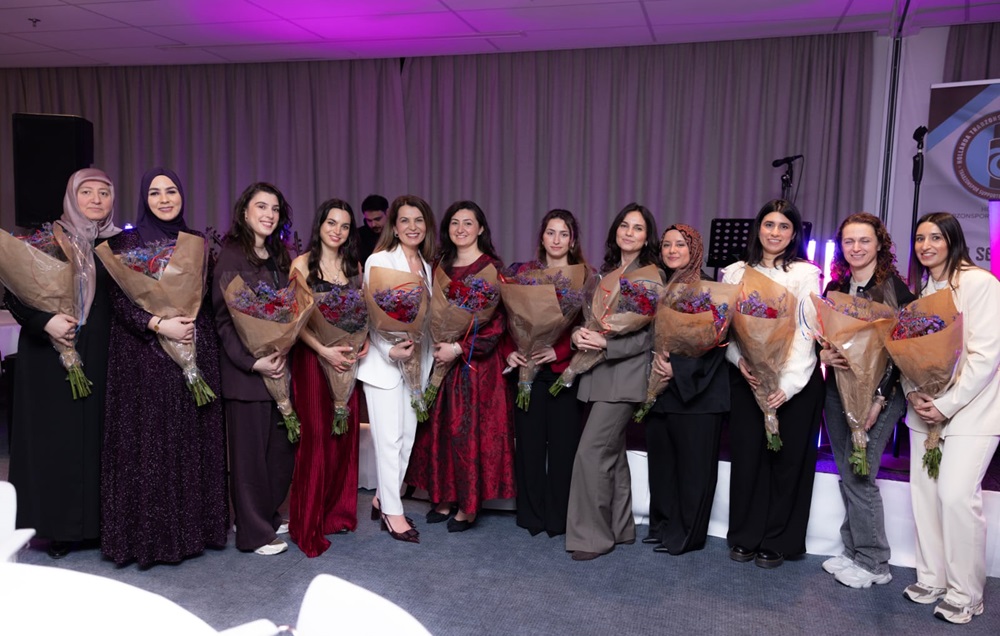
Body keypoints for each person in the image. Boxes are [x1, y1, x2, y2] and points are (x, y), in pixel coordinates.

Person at [101, 167, 229, 566]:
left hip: (192, 347)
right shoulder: (125, 243)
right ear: (144, 198)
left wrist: (188, 331)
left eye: (171, 191)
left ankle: (194, 532)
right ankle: (152, 539)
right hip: (144, 358)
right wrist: (158, 324)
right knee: (152, 443)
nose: (164, 199)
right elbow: (119, 302)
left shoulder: (196, 242)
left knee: (190, 438)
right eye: (155, 193)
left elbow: (205, 298)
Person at [6, 168, 123, 559]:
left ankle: (98, 525)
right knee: (58, 439)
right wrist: (45, 321)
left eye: (104, 192)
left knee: (98, 438)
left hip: (102, 351)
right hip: (49, 353)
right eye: (86, 191)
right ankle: (58, 527)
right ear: (72, 197)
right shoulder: (47, 239)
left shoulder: (120, 245)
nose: (96, 199)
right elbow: (15, 292)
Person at [901, 212, 1000, 625]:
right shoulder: (921, 291)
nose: (926, 245)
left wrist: (947, 403)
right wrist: (912, 392)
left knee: (956, 496)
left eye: (936, 237)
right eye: (920, 238)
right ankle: (933, 578)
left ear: (953, 240)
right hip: (925, 411)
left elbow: (986, 355)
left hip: (973, 411)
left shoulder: (980, 283)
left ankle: (966, 593)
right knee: (925, 497)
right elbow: (906, 352)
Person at [722, 199, 824, 569]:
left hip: (794, 384)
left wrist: (788, 384)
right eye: (769, 224)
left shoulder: (806, 273)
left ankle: (778, 539)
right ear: (758, 228)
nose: (775, 232)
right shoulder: (735, 272)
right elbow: (727, 329)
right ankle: (745, 535)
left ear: (794, 234)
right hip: (747, 378)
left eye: (784, 226)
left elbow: (807, 331)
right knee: (748, 459)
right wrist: (740, 360)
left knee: (787, 462)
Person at [818, 212, 914, 587]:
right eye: (849, 241)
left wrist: (878, 400)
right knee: (847, 471)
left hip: (880, 396)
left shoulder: (894, 290)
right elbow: (823, 338)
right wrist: (823, 354)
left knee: (860, 474)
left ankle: (875, 561)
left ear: (879, 245)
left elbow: (902, 353)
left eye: (864, 240)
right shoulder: (835, 288)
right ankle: (854, 550)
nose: (856, 248)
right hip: (837, 390)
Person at [407, 201, 515, 533]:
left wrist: (459, 347)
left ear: (481, 229)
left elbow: (499, 324)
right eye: (455, 222)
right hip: (439, 360)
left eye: (468, 223)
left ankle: (468, 506)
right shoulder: (437, 266)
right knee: (440, 432)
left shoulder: (493, 270)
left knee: (467, 434)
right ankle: (443, 496)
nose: (461, 229)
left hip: (475, 367)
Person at [565, 203, 662, 561]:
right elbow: (592, 321)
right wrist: (578, 335)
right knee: (613, 454)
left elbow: (649, 337)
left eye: (638, 228)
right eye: (624, 225)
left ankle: (592, 538)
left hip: (625, 377)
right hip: (598, 374)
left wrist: (607, 344)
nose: (629, 233)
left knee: (591, 453)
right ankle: (621, 528)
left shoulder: (650, 276)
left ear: (647, 237)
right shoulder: (606, 273)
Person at [212, 182, 296, 556]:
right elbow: (223, 320)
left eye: (275, 209)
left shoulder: (279, 254)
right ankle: (253, 533)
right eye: (261, 206)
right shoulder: (232, 255)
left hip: (277, 368)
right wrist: (252, 362)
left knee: (279, 453)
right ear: (245, 211)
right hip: (245, 375)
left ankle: (266, 515)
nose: (269, 214)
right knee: (249, 461)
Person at [287, 198, 368, 557]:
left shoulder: (354, 266)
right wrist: (323, 350)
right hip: (313, 360)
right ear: (319, 224)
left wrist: (363, 342)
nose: (337, 231)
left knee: (343, 437)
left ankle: (337, 514)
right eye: (331, 223)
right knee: (316, 440)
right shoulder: (302, 264)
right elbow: (295, 320)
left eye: (345, 226)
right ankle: (308, 523)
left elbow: (361, 313)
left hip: (346, 360)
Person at [501, 209, 588, 537]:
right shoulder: (524, 274)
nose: (556, 239)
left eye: (563, 234)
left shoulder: (585, 278)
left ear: (573, 240)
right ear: (542, 236)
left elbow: (588, 327)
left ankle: (558, 518)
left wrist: (559, 351)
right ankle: (531, 515)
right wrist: (510, 350)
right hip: (527, 372)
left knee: (564, 449)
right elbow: (508, 319)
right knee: (529, 447)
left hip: (564, 374)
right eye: (551, 232)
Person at [643, 224, 729, 555]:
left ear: (694, 249)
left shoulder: (709, 290)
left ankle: (686, 535)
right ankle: (662, 526)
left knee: (694, 469)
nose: (672, 250)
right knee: (662, 465)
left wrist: (676, 368)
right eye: (666, 245)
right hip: (661, 390)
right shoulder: (658, 287)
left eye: (680, 244)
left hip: (699, 393)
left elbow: (715, 345)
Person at [357, 195, 436, 543]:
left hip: (416, 367)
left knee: (406, 440)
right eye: (405, 220)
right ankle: (393, 511)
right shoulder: (378, 260)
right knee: (388, 441)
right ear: (395, 226)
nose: (412, 227)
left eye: (418, 220)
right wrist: (389, 349)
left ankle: (381, 498)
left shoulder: (427, 266)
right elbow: (370, 315)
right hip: (384, 365)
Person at [357, 194, 388, 264]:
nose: (373, 224)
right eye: (369, 220)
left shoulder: (398, 233)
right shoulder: (358, 236)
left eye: (377, 219)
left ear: (387, 213)